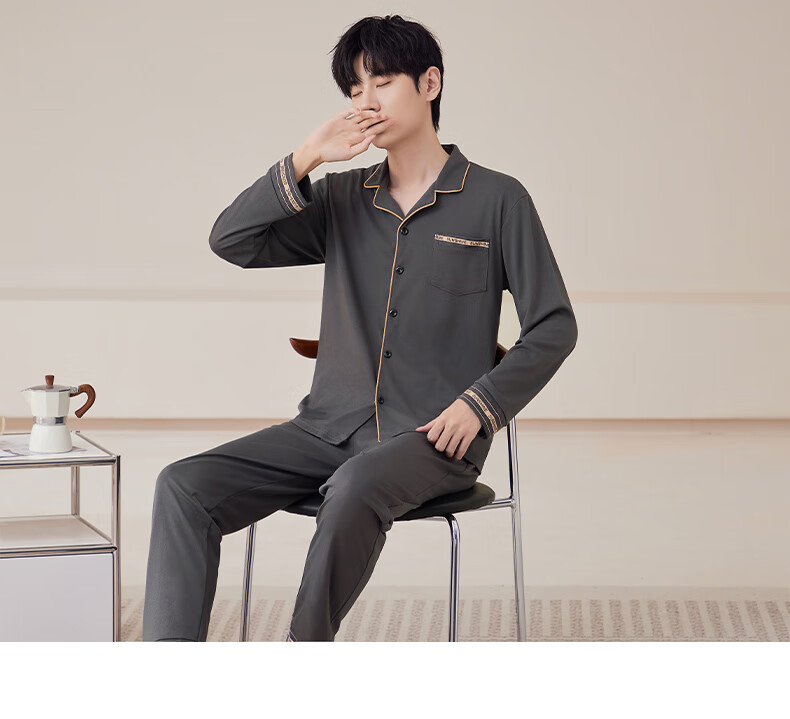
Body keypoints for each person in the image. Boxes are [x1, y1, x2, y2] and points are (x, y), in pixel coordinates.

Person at [142, 14, 578, 642]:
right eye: (354, 90)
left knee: (353, 485)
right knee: (183, 485)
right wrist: (307, 156)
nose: (366, 102)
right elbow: (232, 240)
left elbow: (553, 326)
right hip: (326, 428)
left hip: (432, 438)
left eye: (383, 82)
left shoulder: (498, 200)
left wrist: (480, 407)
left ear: (429, 84)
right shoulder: (342, 198)